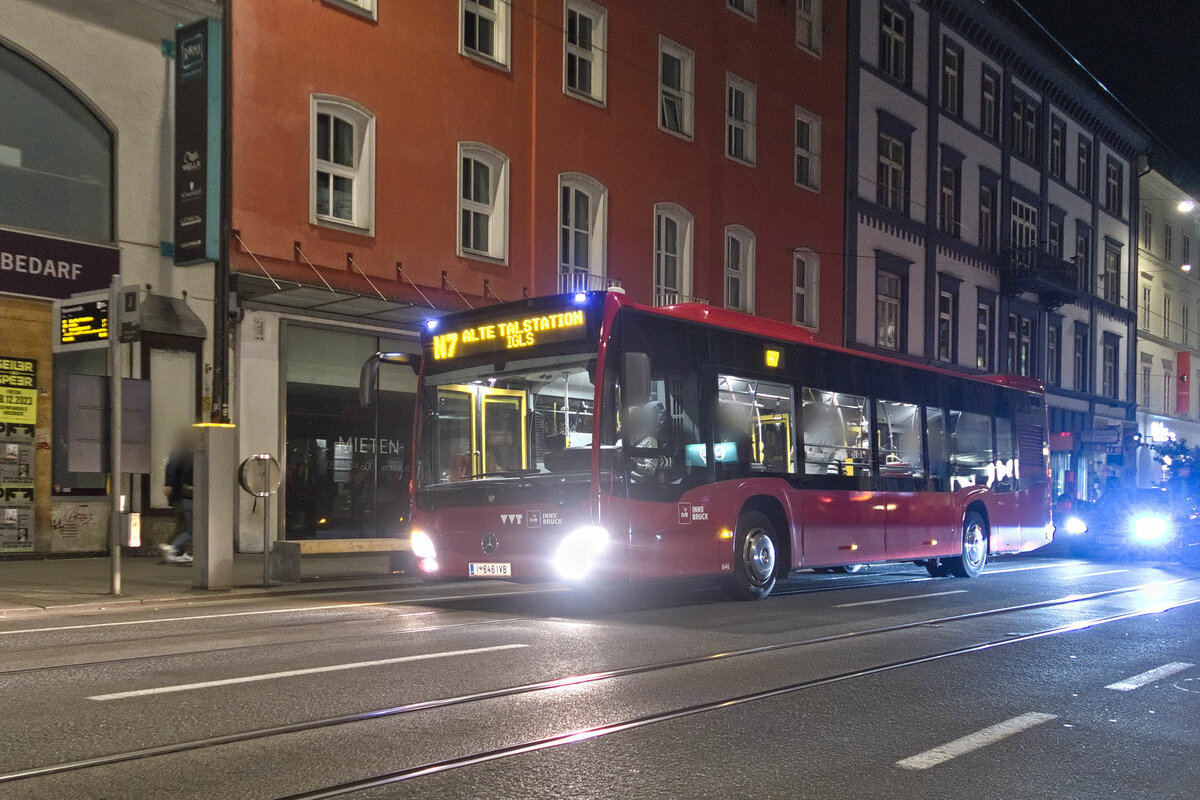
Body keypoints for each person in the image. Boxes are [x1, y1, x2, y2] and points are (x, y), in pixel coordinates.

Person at [161, 430, 195, 564]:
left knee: (182, 524)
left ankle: (177, 551)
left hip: (181, 496)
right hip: (183, 496)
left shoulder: (184, 453)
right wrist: (169, 484)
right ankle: (173, 547)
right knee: (189, 528)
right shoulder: (183, 454)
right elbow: (172, 469)